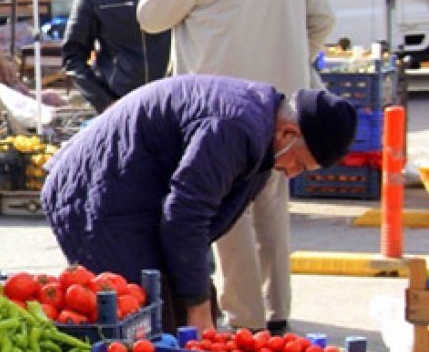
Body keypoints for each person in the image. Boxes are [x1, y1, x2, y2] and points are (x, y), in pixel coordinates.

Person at [42, 76, 357, 332]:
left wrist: (197, 300)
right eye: (300, 163)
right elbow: (185, 217)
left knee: (171, 316)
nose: (291, 173)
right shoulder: (234, 127)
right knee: (137, 320)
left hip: (136, 193)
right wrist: (197, 308)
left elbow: (199, 221)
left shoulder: (262, 134)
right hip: (93, 195)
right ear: (289, 132)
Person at [138, 0, 334, 334]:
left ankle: (247, 324)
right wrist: (293, 58)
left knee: (230, 217)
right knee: (272, 209)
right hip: (284, 104)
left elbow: (151, 16)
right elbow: (322, 20)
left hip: (222, 111)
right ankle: (277, 312)